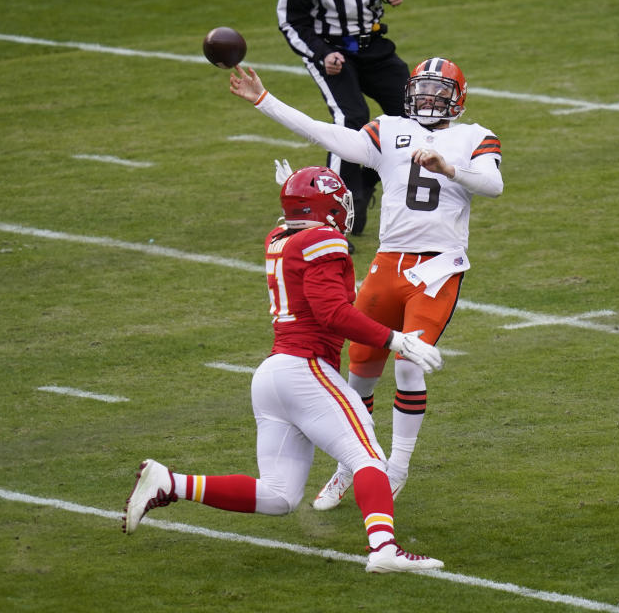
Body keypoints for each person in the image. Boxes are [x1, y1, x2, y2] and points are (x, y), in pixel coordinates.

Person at [123, 166, 444, 573]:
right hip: (305, 369)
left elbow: (309, 266)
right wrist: (397, 340)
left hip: (274, 374)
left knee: (278, 496)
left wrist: (298, 191)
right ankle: (384, 548)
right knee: (369, 458)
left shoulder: (279, 237)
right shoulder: (323, 239)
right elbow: (332, 313)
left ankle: (170, 483)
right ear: (326, 205)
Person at [229, 57, 503, 510]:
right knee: (360, 371)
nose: (430, 99)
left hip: (438, 266)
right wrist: (265, 101)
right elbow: (325, 133)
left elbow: (493, 185)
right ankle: (350, 464)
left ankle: (397, 467)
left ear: (458, 98)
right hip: (389, 261)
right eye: (424, 89)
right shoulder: (390, 129)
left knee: (411, 363)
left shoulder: (475, 136)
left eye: (440, 92)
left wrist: (448, 168)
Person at [277, 0, 410, 237]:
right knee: (351, 117)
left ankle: (364, 182)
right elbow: (290, 19)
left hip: (372, 45)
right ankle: (330, 223)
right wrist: (321, 53)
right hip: (330, 50)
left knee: (412, 110)